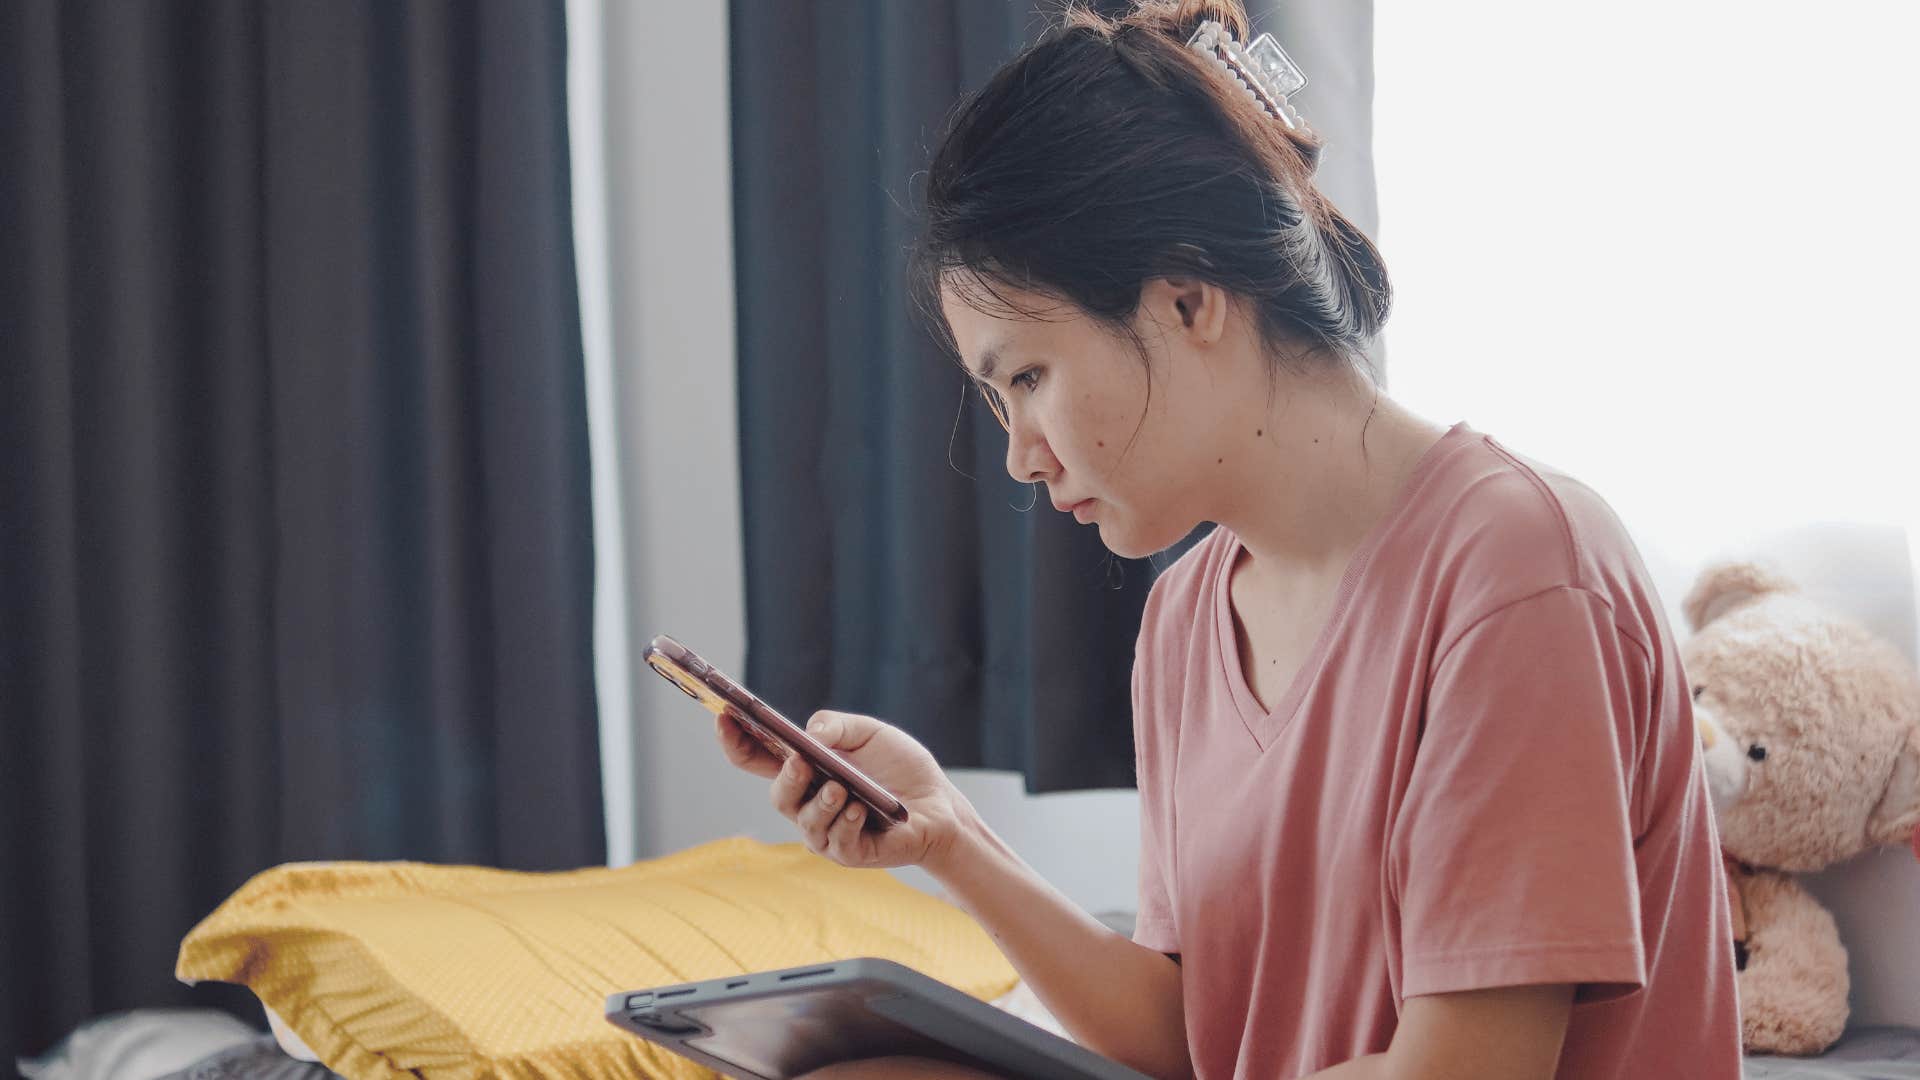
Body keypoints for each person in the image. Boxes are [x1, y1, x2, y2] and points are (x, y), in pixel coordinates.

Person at [716, 1, 1743, 1076]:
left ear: (1188, 299)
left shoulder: (1518, 569)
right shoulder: (1189, 614)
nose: (1021, 454)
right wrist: (950, 836)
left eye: (1028, 377)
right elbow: (1194, 1036)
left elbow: (1467, 1067)